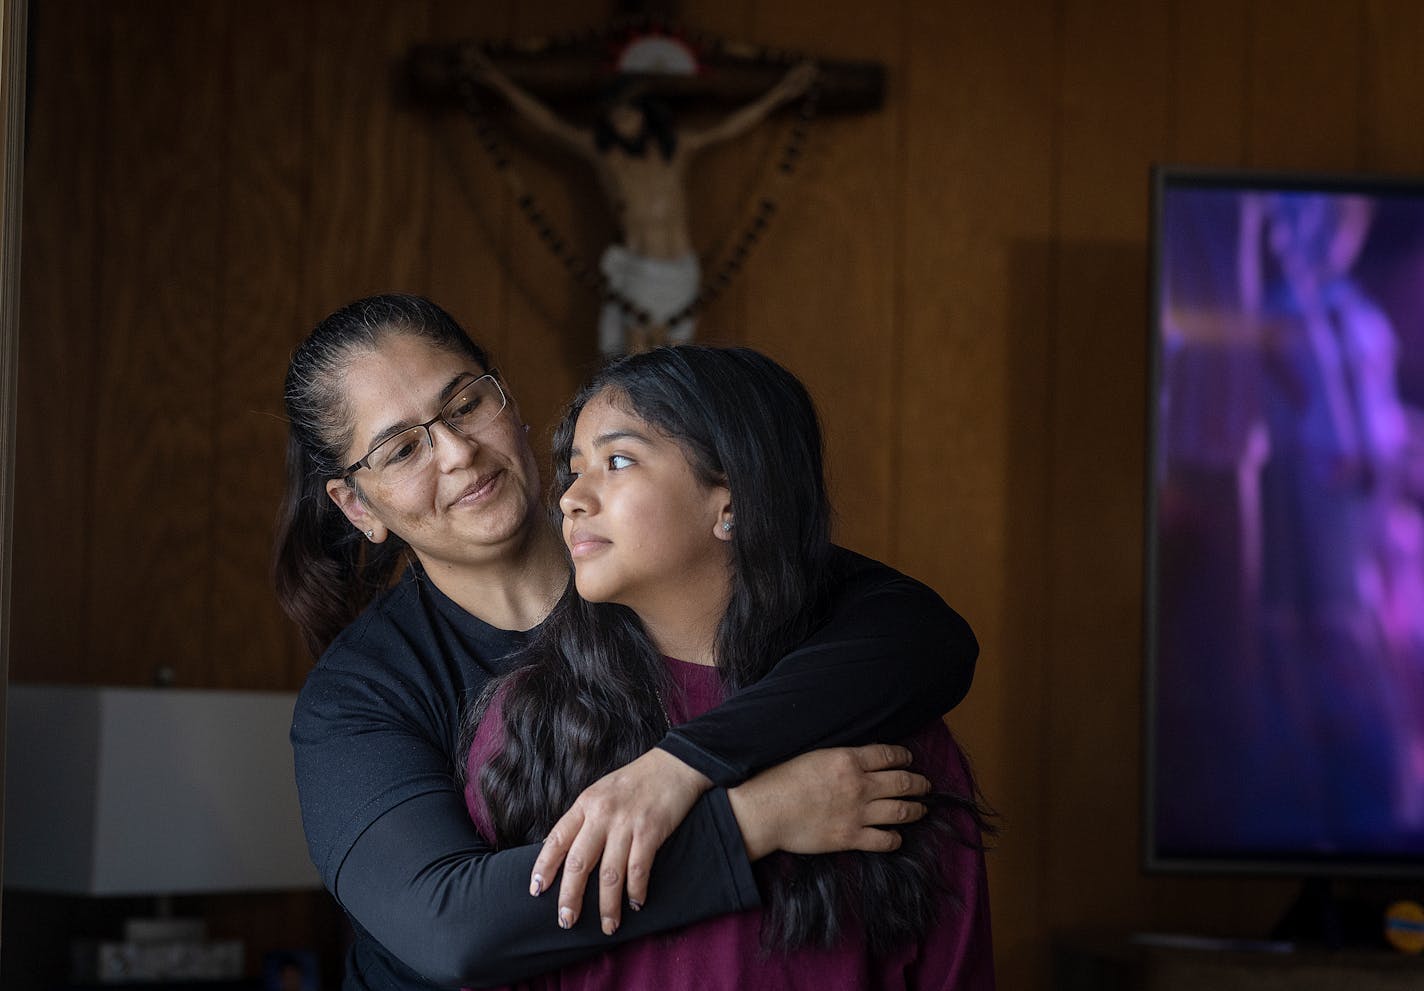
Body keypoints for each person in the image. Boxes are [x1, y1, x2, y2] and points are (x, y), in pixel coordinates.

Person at [276, 293, 979, 990]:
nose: (458, 452)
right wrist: (753, 819)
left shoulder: (668, 561)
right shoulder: (362, 695)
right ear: (358, 505)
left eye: (465, 405)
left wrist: (681, 767)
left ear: (508, 400)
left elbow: (922, 635)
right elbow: (450, 927)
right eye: (402, 448)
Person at [463, 345, 994, 989]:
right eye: (573, 470)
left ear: (732, 502)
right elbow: (484, 941)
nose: (572, 498)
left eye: (618, 461)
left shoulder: (887, 729)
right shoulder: (527, 721)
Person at [468, 52, 816, 355]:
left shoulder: (676, 150)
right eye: (614, 116)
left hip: (680, 269)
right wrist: (498, 82)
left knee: (676, 362)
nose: (620, 122)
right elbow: (550, 125)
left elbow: (731, 127)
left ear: (645, 112)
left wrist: (781, 93)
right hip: (638, 270)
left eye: (627, 113)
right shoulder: (606, 156)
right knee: (635, 361)